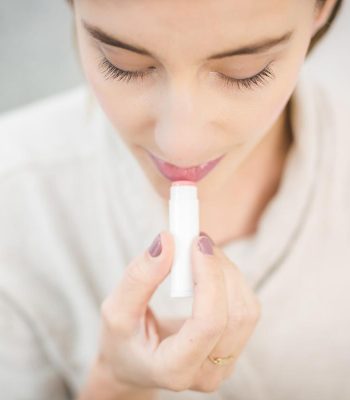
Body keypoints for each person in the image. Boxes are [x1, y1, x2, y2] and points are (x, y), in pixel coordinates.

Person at [0, 0, 347, 399]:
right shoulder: (13, 202)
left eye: (245, 73)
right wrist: (117, 383)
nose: (180, 145)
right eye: (122, 63)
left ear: (322, 10)